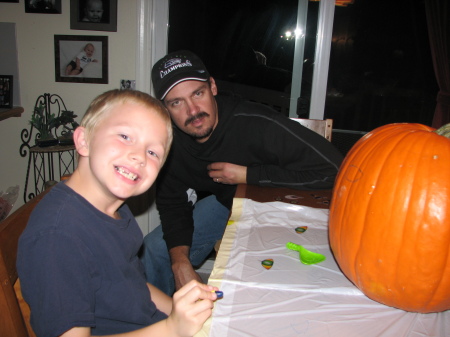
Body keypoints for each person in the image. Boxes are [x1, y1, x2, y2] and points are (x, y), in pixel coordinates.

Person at [17, 89, 220, 336]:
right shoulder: (58, 236)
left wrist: (187, 313)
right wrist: (172, 329)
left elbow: (134, 286)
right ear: (83, 140)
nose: (139, 157)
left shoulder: (115, 210)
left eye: (153, 152)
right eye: (125, 136)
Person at [142, 50, 344, 296]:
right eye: (176, 102)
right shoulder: (168, 143)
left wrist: (249, 175)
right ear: (165, 108)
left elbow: (335, 171)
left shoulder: (256, 123)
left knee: (264, 271)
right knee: (155, 250)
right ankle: (165, 324)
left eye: (198, 93)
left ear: (213, 87)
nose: (192, 110)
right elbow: (173, 204)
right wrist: (179, 262)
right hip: (228, 205)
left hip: (286, 203)